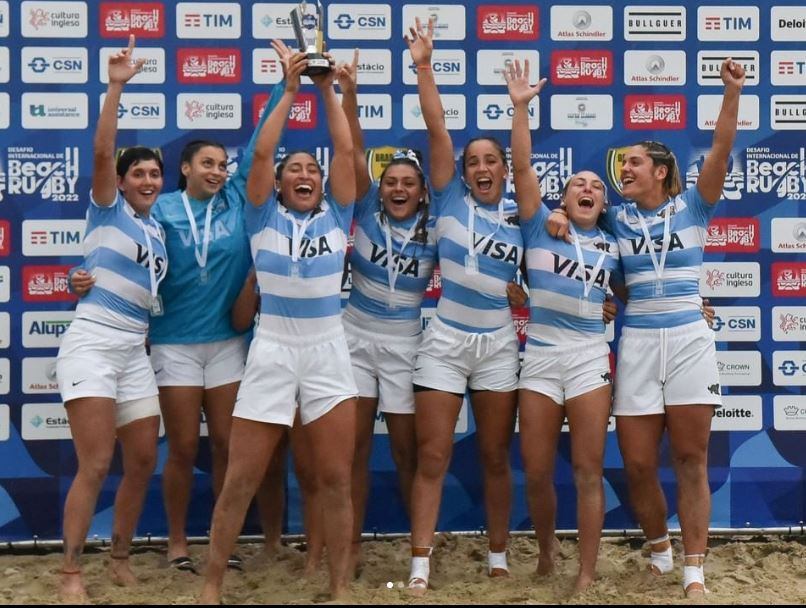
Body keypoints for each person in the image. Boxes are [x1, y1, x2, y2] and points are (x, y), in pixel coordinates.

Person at [69, 50, 291, 572]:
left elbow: (263, 143)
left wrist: (287, 86)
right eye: (205, 164)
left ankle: (220, 541)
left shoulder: (238, 198)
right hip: (171, 341)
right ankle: (175, 544)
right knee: (184, 448)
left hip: (228, 343)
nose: (216, 170)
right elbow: (116, 251)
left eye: (221, 164)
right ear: (184, 169)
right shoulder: (157, 209)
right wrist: (84, 277)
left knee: (230, 449)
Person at [548, 58, 746, 598]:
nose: (623, 171)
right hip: (635, 341)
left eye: (633, 163)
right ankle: (658, 548)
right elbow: (575, 222)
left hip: (688, 340)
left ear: (660, 170)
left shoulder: (695, 207)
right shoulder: (614, 218)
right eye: (622, 165)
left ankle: (694, 568)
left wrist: (731, 92)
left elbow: (723, 150)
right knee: (637, 463)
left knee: (690, 458)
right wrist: (558, 216)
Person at [199, 47, 358, 602]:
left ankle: (339, 588)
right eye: (297, 170)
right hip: (272, 346)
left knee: (335, 480)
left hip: (327, 348)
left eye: (312, 170)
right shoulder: (260, 214)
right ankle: (211, 585)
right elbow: (261, 153)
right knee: (241, 477)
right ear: (281, 183)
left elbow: (344, 147)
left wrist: (325, 88)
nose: (306, 174)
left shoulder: (338, 214)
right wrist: (289, 90)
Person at [404, 18, 524, 593]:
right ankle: (420, 563)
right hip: (446, 340)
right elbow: (437, 128)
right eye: (473, 161)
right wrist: (425, 66)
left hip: (499, 344)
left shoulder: (528, 214)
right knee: (432, 457)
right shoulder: (449, 193)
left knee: (496, 456)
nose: (480, 168)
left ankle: (499, 556)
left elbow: (571, 265)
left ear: (504, 168)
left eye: (490, 161)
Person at [55, 36, 165, 602]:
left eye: (154, 174)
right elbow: (102, 152)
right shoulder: (107, 206)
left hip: (135, 350)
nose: (147, 180)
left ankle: (118, 556)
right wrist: (115, 87)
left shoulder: (157, 230)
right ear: (121, 182)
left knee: (143, 459)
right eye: (138, 173)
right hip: (94, 342)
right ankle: (71, 571)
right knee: (95, 463)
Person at [505, 60, 619, 594]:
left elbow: (640, 288)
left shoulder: (616, 242)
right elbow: (523, 167)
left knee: (587, 471)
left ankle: (587, 572)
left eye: (596, 185)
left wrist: (700, 303)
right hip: (542, 354)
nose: (587, 186)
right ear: (566, 196)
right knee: (535, 469)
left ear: (604, 201)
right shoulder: (540, 224)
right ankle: (548, 551)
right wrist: (523, 107)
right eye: (578, 181)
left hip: (590, 356)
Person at [337, 51, 438, 573]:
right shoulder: (362, 211)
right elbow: (353, 150)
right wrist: (349, 94)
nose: (399, 188)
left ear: (423, 193)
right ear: (381, 187)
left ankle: (417, 546)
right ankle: (350, 546)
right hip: (354, 336)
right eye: (391, 182)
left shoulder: (437, 226)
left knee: (407, 454)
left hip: (405, 343)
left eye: (409, 183)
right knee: (352, 451)